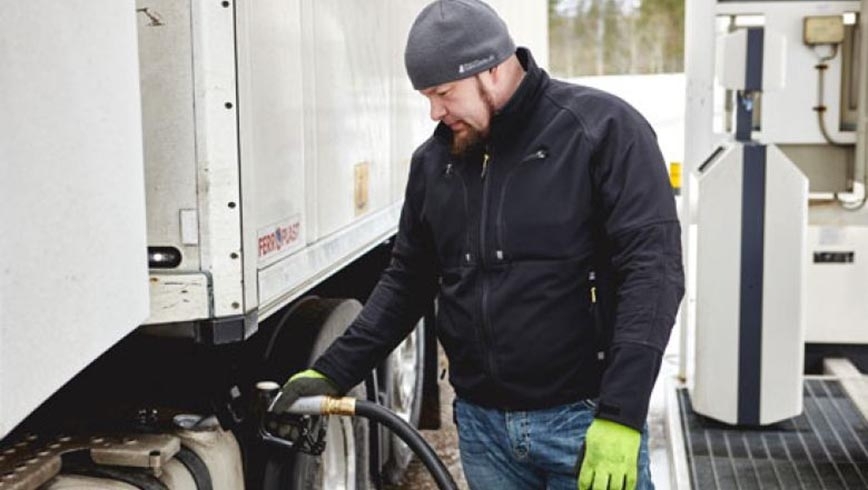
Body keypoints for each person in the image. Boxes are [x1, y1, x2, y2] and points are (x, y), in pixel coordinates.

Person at [273, 0, 684, 488]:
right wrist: (331, 372)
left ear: (490, 70)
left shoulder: (602, 132)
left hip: (583, 424)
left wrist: (622, 414)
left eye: (443, 93)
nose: (434, 111)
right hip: (484, 433)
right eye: (426, 96)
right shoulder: (434, 164)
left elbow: (653, 274)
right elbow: (406, 283)